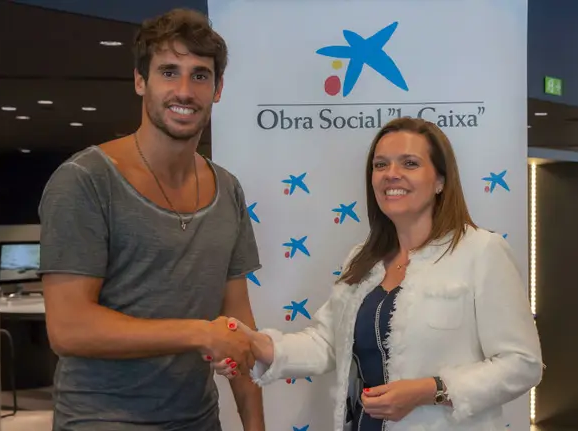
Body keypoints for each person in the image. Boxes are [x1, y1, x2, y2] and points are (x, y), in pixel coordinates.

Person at [212, 117, 543, 430]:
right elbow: (327, 343)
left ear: (440, 180)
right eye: (380, 165)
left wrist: (433, 390)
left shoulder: (482, 251)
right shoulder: (364, 259)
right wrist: (256, 345)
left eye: (409, 163)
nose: (391, 174)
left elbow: (522, 364)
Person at [37, 8, 263, 431]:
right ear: (141, 81)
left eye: (200, 75)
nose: (184, 90)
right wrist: (199, 333)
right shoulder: (85, 181)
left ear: (217, 89)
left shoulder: (228, 190)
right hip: (101, 420)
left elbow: (238, 326)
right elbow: (68, 328)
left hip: (198, 419)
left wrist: (255, 426)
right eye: (168, 72)